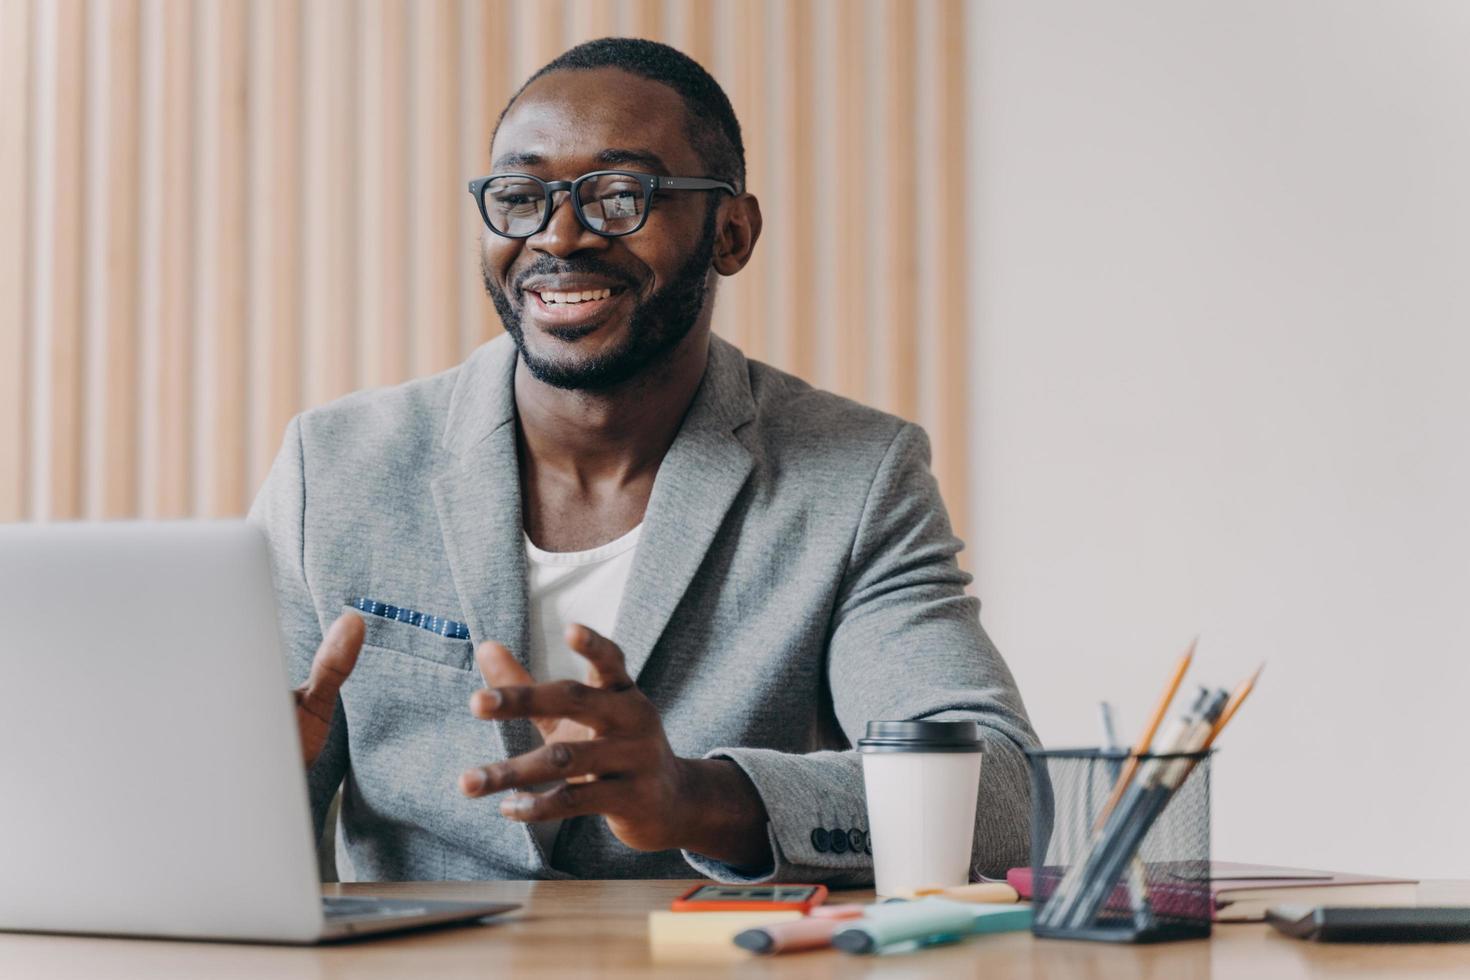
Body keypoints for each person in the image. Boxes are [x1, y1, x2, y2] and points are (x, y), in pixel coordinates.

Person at [249, 36, 1039, 885]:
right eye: (520, 195)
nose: (559, 235)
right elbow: (238, 837)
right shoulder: (333, 468)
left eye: (620, 196)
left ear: (731, 232)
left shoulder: (854, 476)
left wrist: (700, 797)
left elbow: (1001, 795)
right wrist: (246, 787)